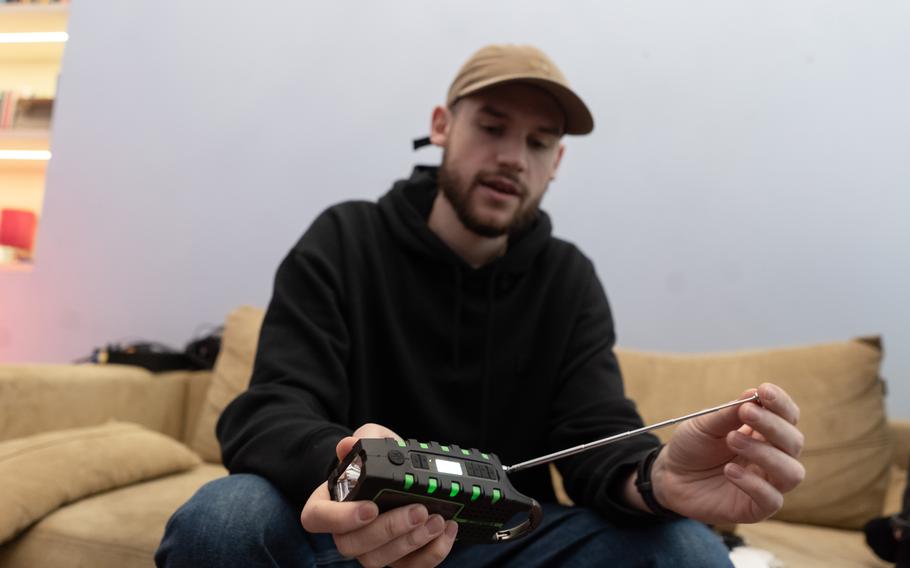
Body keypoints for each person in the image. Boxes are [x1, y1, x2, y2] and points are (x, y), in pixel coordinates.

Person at [156, 44, 805, 567]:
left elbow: (591, 433)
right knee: (224, 519)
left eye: (538, 143)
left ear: (556, 165)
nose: (511, 158)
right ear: (442, 126)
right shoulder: (345, 238)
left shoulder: (569, 279)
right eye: (492, 127)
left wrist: (658, 479)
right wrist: (353, 462)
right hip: (351, 526)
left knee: (685, 550)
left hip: (505, 540)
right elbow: (270, 408)